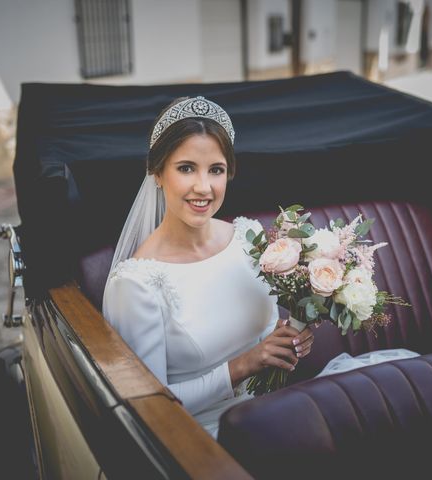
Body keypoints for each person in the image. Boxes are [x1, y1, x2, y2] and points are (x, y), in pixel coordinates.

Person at [102, 96, 315, 438]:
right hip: (203, 440)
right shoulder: (135, 283)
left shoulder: (248, 237)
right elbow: (153, 406)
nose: (204, 187)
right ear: (157, 173)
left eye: (215, 169)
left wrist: (290, 342)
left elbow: (267, 333)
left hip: (278, 410)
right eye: (186, 168)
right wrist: (246, 364)